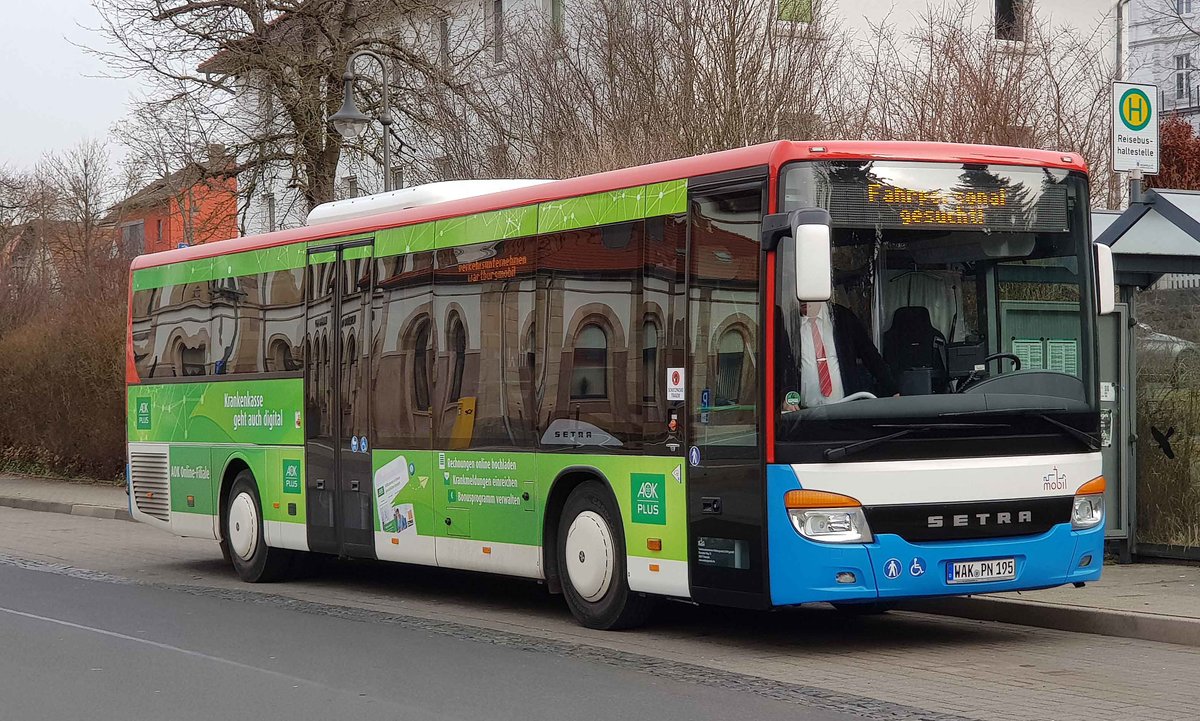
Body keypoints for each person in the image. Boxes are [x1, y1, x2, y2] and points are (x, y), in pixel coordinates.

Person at [778, 301, 897, 410]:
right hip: (804, 412)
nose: (804, 300)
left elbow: (870, 355)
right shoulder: (789, 323)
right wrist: (786, 396)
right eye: (800, 295)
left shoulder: (842, 317)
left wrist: (892, 390)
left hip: (845, 408)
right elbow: (782, 367)